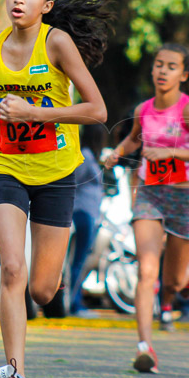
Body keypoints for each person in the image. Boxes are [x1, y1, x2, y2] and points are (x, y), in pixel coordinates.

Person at [0, 0, 111, 378]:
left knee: (43, 289)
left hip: (56, 173)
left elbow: (98, 110)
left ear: (46, 6)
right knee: (11, 269)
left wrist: (37, 115)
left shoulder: (57, 43)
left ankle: (53, 278)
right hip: (6, 167)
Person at [105, 43, 189, 373]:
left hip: (185, 198)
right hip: (151, 193)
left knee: (172, 282)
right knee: (147, 271)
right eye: (158, 64)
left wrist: (172, 154)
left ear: (184, 75)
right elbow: (134, 139)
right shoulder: (144, 108)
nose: (162, 71)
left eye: (171, 66)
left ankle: (183, 281)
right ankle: (144, 347)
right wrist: (116, 152)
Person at [69, 125, 105, 317]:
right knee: (79, 260)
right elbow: (73, 182)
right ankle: (75, 304)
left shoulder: (91, 157)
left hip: (89, 213)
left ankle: (76, 301)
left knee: (83, 259)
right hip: (82, 212)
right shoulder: (85, 157)